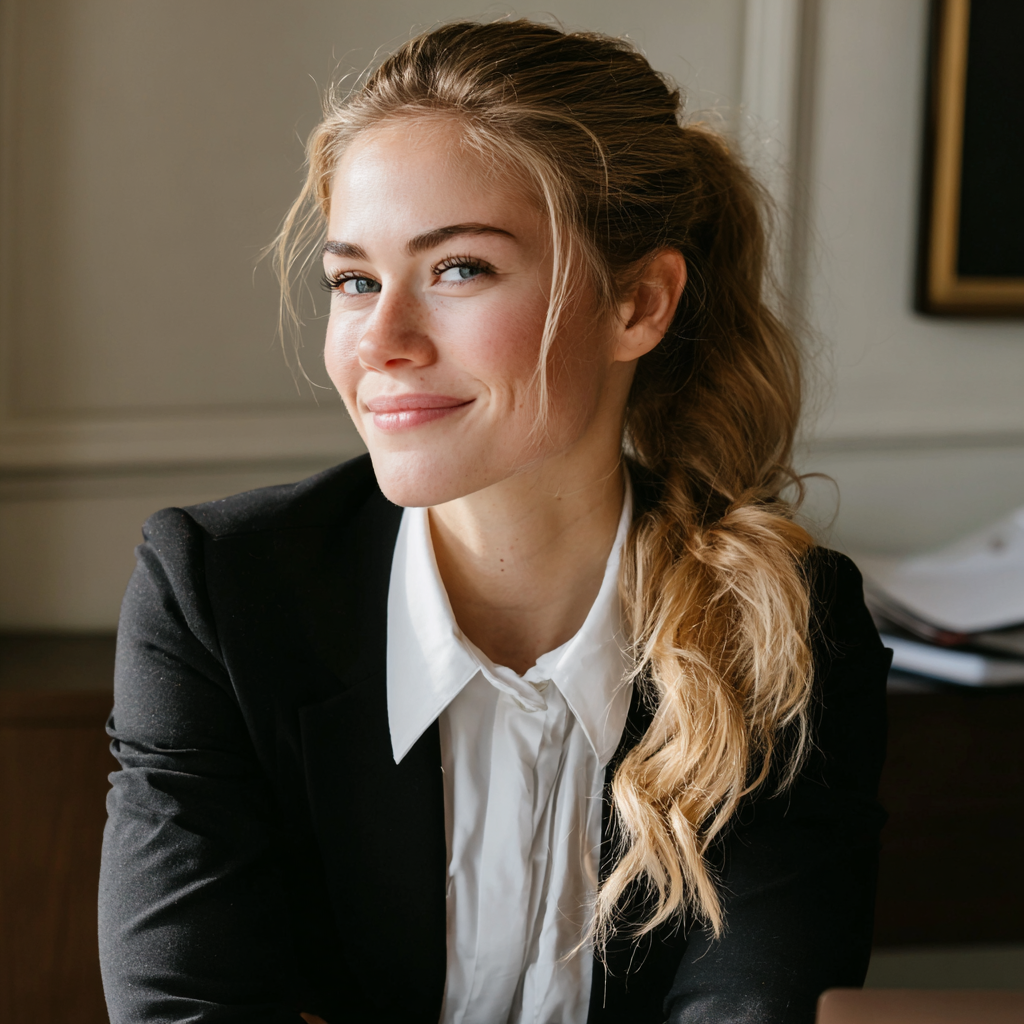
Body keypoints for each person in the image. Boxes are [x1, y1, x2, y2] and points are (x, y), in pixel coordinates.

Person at [98, 19, 890, 1024]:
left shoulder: (787, 626)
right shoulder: (216, 594)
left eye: (458, 268)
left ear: (639, 302)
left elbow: (749, 1007)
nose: (380, 340)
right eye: (355, 280)